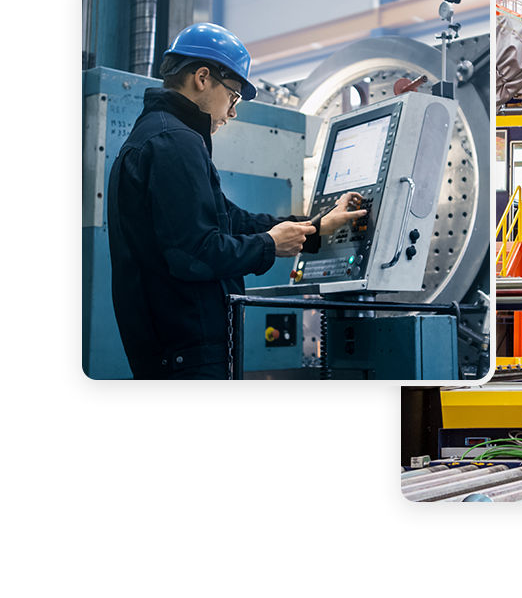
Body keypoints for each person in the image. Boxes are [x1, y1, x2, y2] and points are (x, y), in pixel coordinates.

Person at [107, 22, 366, 379]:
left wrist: (317, 227)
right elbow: (195, 254)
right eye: (232, 96)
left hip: (174, 350)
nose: (232, 112)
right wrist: (269, 246)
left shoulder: (159, 136)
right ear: (202, 77)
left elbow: (232, 219)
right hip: (187, 351)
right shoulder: (174, 143)